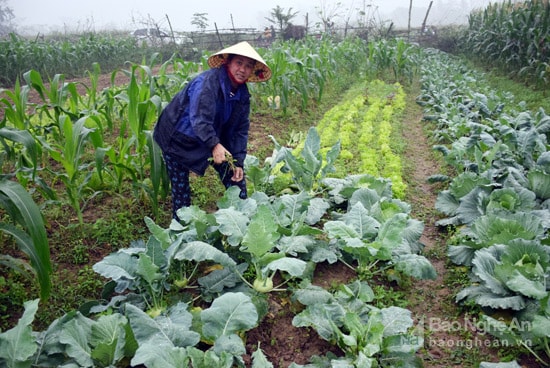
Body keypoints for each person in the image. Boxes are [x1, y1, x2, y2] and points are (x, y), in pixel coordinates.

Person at [153, 41, 272, 219]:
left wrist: (238, 161)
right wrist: (214, 145)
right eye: (239, 63)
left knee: (236, 178)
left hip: (211, 136)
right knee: (181, 193)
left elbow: (240, 130)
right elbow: (200, 120)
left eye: (248, 66)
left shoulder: (242, 94)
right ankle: (179, 233)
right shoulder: (207, 83)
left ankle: (243, 224)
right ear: (228, 63)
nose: (242, 69)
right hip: (178, 137)